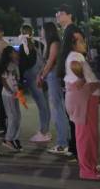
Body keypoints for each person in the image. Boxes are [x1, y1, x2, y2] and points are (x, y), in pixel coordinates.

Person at [64, 29, 100, 181]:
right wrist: (95, 84)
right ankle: (87, 170)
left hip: (86, 100)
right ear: (72, 44)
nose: (84, 43)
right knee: (86, 136)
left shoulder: (76, 56)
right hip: (84, 101)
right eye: (80, 41)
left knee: (90, 135)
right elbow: (81, 76)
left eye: (83, 40)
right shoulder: (75, 56)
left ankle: (91, 165)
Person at [37, 22, 71, 154]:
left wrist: (41, 76)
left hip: (54, 78)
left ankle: (62, 143)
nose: (40, 32)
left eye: (41, 29)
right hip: (51, 77)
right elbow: (46, 63)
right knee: (59, 109)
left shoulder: (55, 43)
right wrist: (41, 74)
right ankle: (65, 139)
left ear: (47, 30)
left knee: (58, 110)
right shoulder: (50, 43)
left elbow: (50, 62)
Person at [51, 4, 78, 157]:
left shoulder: (71, 30)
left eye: (60, 13)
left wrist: (62, 75)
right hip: (70, 77)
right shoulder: (67, 31)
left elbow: (72, 55)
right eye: (56, 13)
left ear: (69, 14)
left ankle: (76, 149)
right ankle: (74, 147)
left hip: (73, 78)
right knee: (71, 115)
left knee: (74, 115)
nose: (57, 16)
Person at [18, 24, 51, 143]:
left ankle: (43, 132)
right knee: (45, 105)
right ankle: (46, 130)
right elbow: (45, 60)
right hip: (44, 76)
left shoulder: (23, 48)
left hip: (33, 79)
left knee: (42, 106)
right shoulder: (39, 45)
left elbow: (21, 67)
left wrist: (20, 81)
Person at [0, 46, 23, 151]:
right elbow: (3, 80)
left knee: (17, 116)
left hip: (15, 94)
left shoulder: (15, 64)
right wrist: (10, 91)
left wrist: (17, 90)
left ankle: (14, 137)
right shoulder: (8, 65)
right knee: (12, 116)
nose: (16, 53)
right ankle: (8, 139)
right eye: (14, 52)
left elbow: (16, 80)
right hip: (8, 95)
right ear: (9, 54)